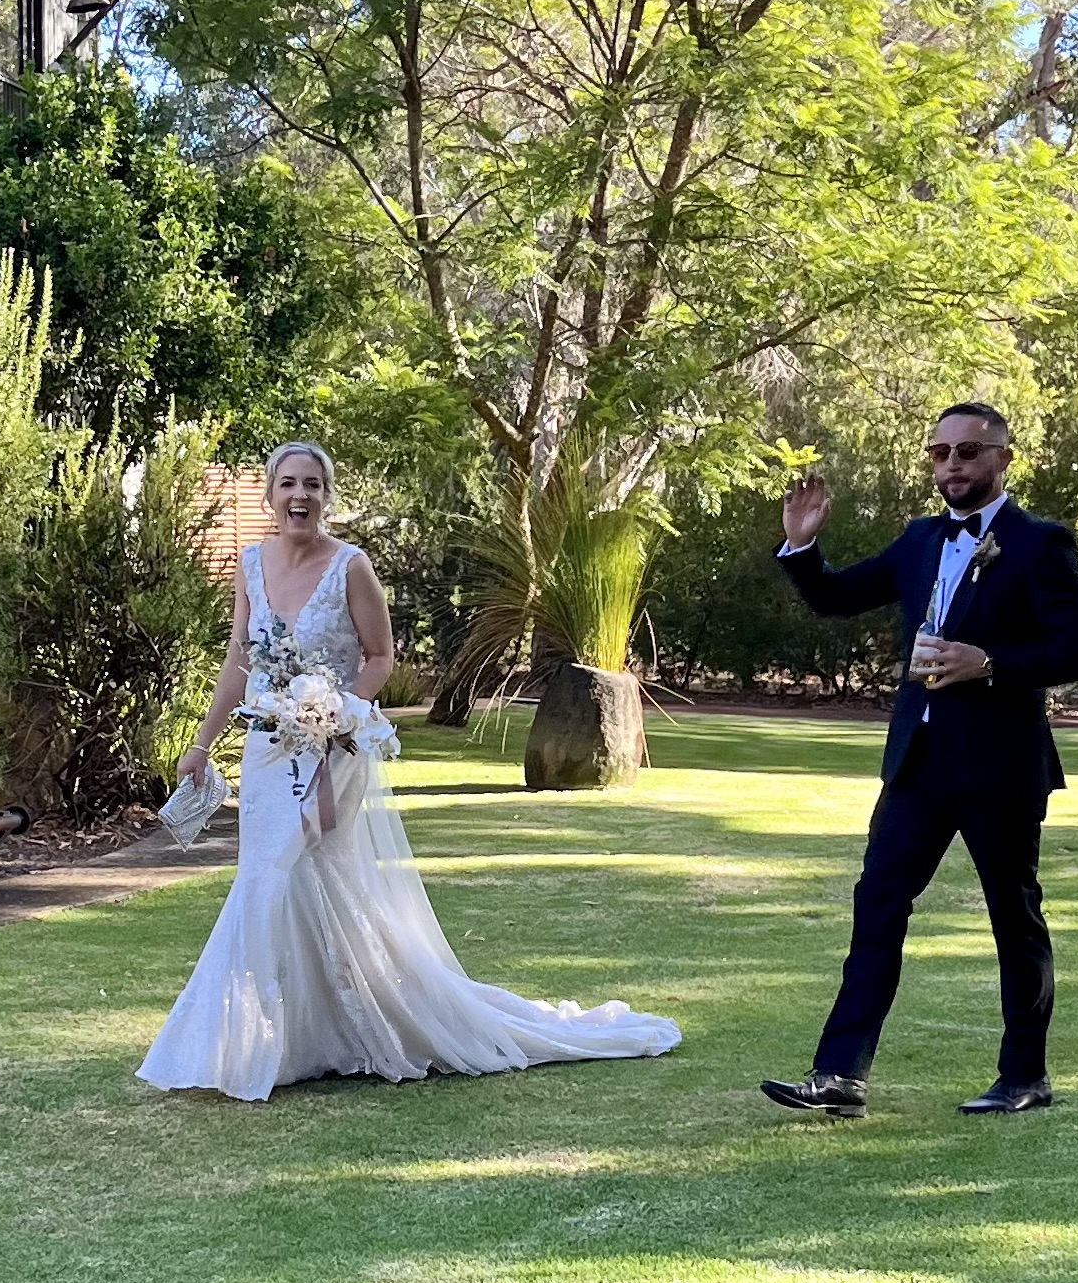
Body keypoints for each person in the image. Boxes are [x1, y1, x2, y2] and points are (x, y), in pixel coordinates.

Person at [140, 442, 681, 1101]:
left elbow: (379, 655)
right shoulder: (251, 564)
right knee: (312, 886)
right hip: (266, 752)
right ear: (271, 495)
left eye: (312, 483)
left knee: (269, 876)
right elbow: (239, 661)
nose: (300, 495)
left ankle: (246, 1046)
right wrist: (202, 742)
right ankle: (320, 1034)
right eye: (288, 484)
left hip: (333, 749)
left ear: (326, 494)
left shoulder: (351, 566)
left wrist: (338, 711)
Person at [761, 402, 1078, 1119]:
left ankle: (1024, 1076)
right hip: (917, 762)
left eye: (968, 452)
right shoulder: (918, 541)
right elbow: (837, 597)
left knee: (1014, 918)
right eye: (940, 453)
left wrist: (991, 662)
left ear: (1003, 459)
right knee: (877, 902)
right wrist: (801, 548)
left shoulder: (1039, 543)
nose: (952, 465)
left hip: (1000, 768)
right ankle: (839, 1075)